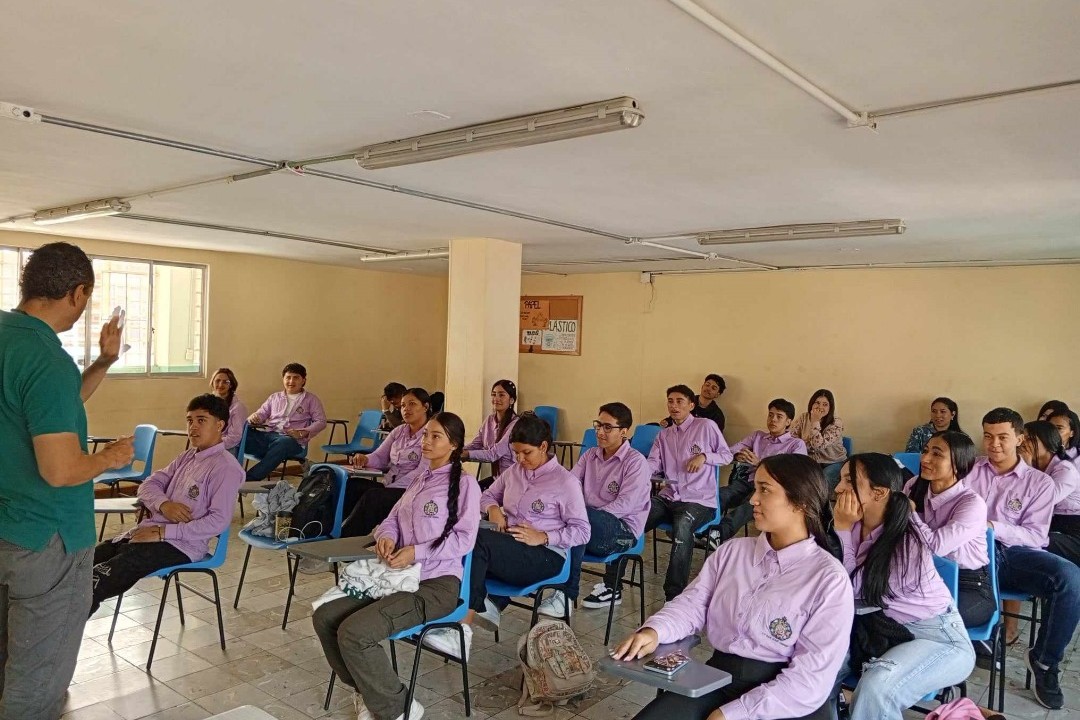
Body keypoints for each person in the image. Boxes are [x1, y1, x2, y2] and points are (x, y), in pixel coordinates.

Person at [0, 241, 135, 720]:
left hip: (6, 528)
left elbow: (46, 409)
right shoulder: (45, 357)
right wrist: (110, 457)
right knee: (37, 676)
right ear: (79, 293)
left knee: (9, 657)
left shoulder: (7, 338)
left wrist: (103, 361)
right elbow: (60, 470)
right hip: (47, 537)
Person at [612, 454, 853, 720]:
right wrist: (655, 631)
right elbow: (693, 604)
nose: (753, 500)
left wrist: (732, 714)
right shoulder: (733, 553)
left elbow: (809, 680)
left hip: (785, 698)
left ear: (801, 502)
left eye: (765, 490)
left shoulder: (828, 578)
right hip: (720, 679)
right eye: (755, 488)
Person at [312, 412, 479, 720]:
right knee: (325, 617)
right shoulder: (421, 476)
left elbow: (464, 541)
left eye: (435, 436)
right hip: (399, 576)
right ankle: (369, 693)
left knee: (354, 633)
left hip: (435, 584)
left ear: (454, 445)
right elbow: (392, 519)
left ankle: (398, 709)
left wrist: (415, 552)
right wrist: (387, 538)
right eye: (426, 434)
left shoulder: (466, 485)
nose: (426, 441)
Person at [835, 453, 975, 720]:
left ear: (878, 493)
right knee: (811, 661)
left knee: (878, 688)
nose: (838, 489)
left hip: (937, 638)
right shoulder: (855, 523)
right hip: (879, 630)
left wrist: (841, 529)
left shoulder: (907, 541)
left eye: (848, 481)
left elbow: (849, 592)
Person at [966, 407, 1080, 709]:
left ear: (1020, 438)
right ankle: (979, 634)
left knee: (1070, 578)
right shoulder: (970, 469)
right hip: (972, 553)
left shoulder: (1038, 483)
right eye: (988, 437)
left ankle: (1044, 662)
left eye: (1003, 437)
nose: (994, 444)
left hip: (1014, 555)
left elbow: (1037, 537)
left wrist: (994, 527)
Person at [90, 394, 244, 614]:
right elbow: (148, 485)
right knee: (83, 563)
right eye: (189, 420)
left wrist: (164, 532)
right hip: (150, 534)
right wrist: (164, 505)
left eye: (201, 420)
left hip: (182, 544)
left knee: (97, 582)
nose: (193, 427)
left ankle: (59, 639)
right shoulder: (187, 457)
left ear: (220, 425)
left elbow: (218, 521)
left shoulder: (225, 468)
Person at [466, 412, 590, 631]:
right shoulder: (514, 471)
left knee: (479, 542)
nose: (520, 459)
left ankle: (467, 620)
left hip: (546, 556)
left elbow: (582, 532)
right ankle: (482, 604)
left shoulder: (565, 482)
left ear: (543, 447)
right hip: (512, 545)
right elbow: (487, 496)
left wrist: (543, 537)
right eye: (515, 453)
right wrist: (493, 509)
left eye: (526, 453)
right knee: (464, 536)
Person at [559, 402, 652, 611]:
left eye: (608, 427)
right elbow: (569, 486)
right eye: (598, 425)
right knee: (559, 517)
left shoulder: (635, 462)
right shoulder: (590, 455)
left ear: (624, 432)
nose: (600, 432)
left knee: (577, 522)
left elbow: (625, 505)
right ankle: (554, 588)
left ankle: (565, 594)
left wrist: (581, 516)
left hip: (622, 531)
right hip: (589, 525)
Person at [647, 385, 733, 600]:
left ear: (691, 405)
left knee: (683, 524)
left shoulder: (706, 426)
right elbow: (652, 464)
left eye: (679, 401)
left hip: (699, 500)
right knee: (637, 514)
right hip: (670, 496)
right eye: (670, 401)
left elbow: (726, 455)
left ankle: (673, 596)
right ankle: (612, 585)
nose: (674, 406)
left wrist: (705, 456)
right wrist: (635, 472)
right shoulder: (664, 435)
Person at [902, 431, 994, 627]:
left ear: (958, 463)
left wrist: (909, 512)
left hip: (968, 585)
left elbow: (935, 548)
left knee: (924, 620)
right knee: (889, 611)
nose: (925, 459)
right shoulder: (913, 486)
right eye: (925, 451)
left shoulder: (971, 503)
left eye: (936, 454)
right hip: (921, 576)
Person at [709, 399, 808, 548]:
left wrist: (761, 463)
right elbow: (729, 450)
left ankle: (717, 534)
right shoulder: (758, 436)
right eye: (770, 415)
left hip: (772, 488)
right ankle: (700, 528)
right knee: (721, 495)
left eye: (779, 416)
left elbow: (795, 472)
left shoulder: (795, 444)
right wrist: (737, 455)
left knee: (750, 505)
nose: (773, 420)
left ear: (788, 422)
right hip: (748, 481)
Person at [342, 388, 432, 537]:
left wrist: (389, 488)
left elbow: (421, 473)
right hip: (389, 485)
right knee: (351, 486)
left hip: (412, 490)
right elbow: (380, 457)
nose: (406, 409)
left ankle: (345, 541)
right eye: (403, 405)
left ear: (426, 407)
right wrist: (365, 459)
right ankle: (327, 530)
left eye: (412, 404)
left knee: (373, 497)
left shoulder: (430, 434)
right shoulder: (399, 431)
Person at [244, 363, 327, 481]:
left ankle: (247, 479)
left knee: (283, 442)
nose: (291, 381)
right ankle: (225, 475)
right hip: (269, 436)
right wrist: (254, 416)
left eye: (296, 378)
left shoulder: (311, 399)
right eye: (288, 377)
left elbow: (321, 421)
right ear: (283, 379)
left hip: (293, 441)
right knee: (242, 433)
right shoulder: (274, 397)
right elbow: (261, 413)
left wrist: (302, 432)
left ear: (303, 380)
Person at [1020, 420, 1080, 568]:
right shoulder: (1036, 466)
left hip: (1072, 530)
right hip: (1051, 524)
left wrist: (1026, 468)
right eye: (1023, 438)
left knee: (1033, 542)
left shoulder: (1065, 470)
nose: (1023, 443)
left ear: (1047, 441)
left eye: (1030, 439)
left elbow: (1041, 502)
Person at [461, 379, 519, 482]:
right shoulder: (489, 420)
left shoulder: (515, 423)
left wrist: (466, 454)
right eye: (493, 394)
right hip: (497, 479)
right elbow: (476, 445)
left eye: (501, 395)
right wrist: (457, 451)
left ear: (512, 400)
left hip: (512, 479)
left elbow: (494, 454)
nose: (496, 398)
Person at [790, 389, 847, 489]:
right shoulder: (803, 417)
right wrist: (806, 444)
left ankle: (820, 504)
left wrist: (815, 421)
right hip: (811, 461)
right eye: (817, 403)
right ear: (812, 404)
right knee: (797, 478)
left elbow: (818, 446)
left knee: (822, 481)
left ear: (830, 407)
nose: (820, 407)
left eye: (825, 404)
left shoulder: (836, 423)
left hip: (834, 462)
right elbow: (792, 440)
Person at [659, 374, 727, 433]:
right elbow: (674, 418)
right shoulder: (686, 401)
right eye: (707, 385)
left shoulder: (717, 415)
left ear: (717, 394)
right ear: (702, 386)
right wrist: (666, 422)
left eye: (713, 388)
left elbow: (715, 438)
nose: (708, 389)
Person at [209, 367, 247, 454]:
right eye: (217, 381)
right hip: (209, 445)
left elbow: (234, 437)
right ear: (212, 382)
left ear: (231, 385)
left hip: (227, 448)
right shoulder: (207, 403)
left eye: (225, 382)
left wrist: (212, 445)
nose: (220, 384)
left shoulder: (238, 407)